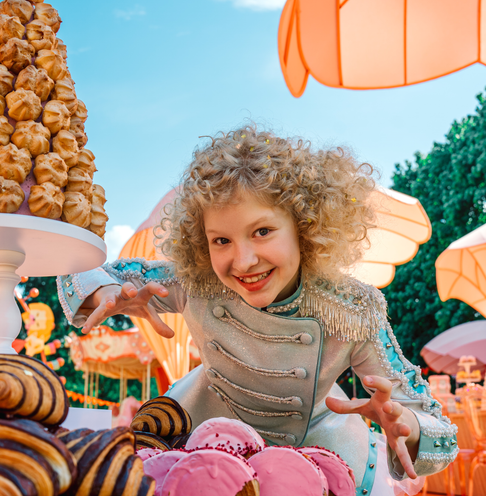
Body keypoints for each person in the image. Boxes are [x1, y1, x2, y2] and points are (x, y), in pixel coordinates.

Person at [57, 125, 457, 495]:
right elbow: (78, 269)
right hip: (196, 444)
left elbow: (441, 433)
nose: (243, 261)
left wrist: (409, 428)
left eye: (262, 232)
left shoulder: (353, 308)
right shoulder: (194, 282)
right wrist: (108, 290)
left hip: (321, 454)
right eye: (221, 241)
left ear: (305, 225)